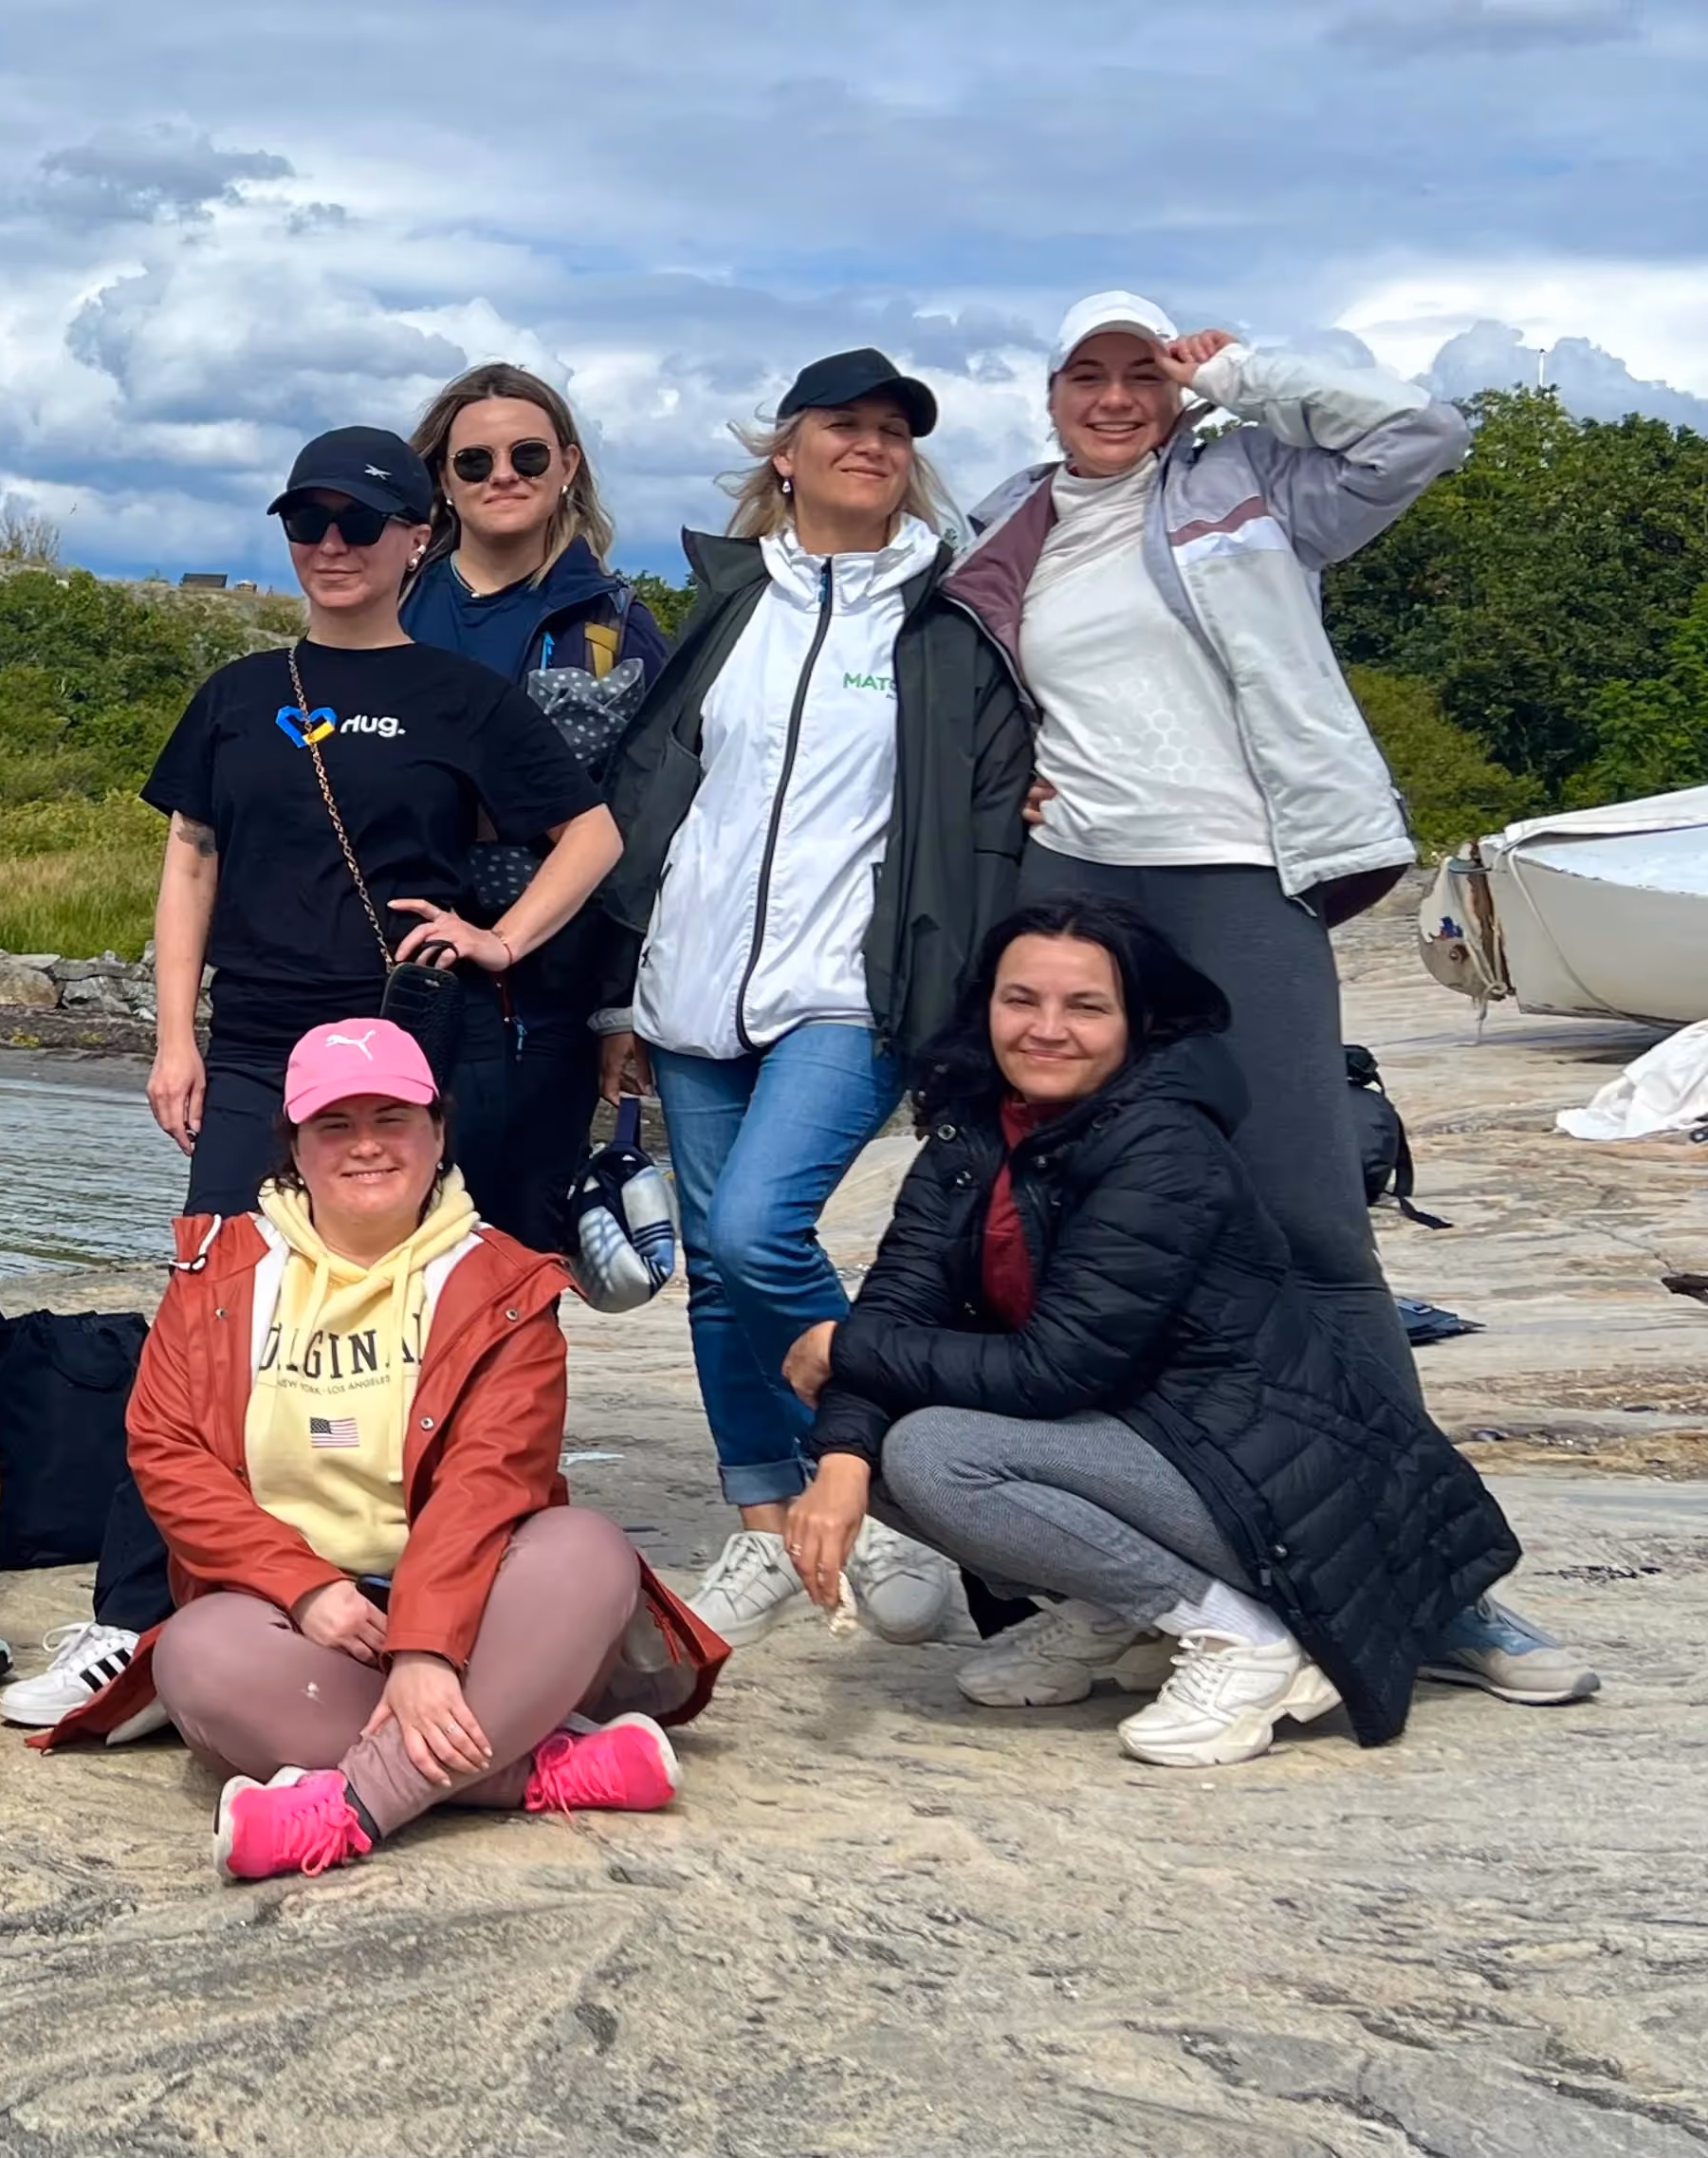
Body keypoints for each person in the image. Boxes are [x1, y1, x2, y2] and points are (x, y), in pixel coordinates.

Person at [944, 293, 1592, 1706]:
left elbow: (1427, 432)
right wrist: (1013, 787)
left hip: (1240, 873)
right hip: (1075, 886)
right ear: (1048, 391)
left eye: (1141, 370)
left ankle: (1440, 1585)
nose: (1114, 397)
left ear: (1176, 381)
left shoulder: (1249, 480)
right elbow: (945, 696)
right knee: (1077, 1235)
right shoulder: (1003, 521)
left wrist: (1239, 372)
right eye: (1086, 373)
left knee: (1310, 1231)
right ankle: (1115, 1579)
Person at [779, 897, 1529, 1765]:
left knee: (936, 1454)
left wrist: (844, 1348)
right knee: (866, 1445)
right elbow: (898, 1308)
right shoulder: (975, 1129)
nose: (1047, 1030)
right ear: (985, 1004)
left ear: (1139, 1023)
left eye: (1086, 1007)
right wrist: (840, 1459)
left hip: (1270, 1472)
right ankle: (1114, 1605)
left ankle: (1241, 1637)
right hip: (1153, 1445)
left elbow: (1054, 1368)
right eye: (1021, 1000)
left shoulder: (1163, 1144)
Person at [35, 1019, 724, 1882]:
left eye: (391, 1118)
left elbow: (490, 1480)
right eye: (335, 1124)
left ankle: (353, 1808)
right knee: (192, 1653)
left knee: (587, 1551)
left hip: (484, 1623)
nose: (365, 1146)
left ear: (438, 1131)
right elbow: (167, 1453)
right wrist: (307, 1585)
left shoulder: (507, 1284)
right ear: (294, 1145)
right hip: (311, 1629)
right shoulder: (218, 1271)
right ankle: (525, 1767)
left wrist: (428, 1648)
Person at [588, 349, 1031, 1651]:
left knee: (764, 1231)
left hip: (854, 983)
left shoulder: (949, 620)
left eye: (895, 431)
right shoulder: (728, 608)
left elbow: (997, 801)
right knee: (718, 1271)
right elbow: (656, 798)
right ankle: (767, 1522)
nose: (872, 444)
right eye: (845, 424)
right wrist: (621, 990)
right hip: (692, 985)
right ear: (785, 452)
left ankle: (875, 1484)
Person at [146, 427, 622, 1226]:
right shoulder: (237, 694)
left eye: (361, 522)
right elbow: (192, 863)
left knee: (403, 1294)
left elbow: (594, 835)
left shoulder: (464, 696)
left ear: (417, 538)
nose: (332, 544)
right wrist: (174, 1042)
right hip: (256, 1045)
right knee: (222, 1285)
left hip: (407, 1043)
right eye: (308, 522)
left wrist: (500, 940)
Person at [401, 361, 672, 1249]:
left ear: (568, 465)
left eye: (525, 454)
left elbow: (651, 828)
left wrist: (620, 1011)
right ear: (442, 481)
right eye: (472, 462)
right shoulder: (389, 605)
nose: (501, 476)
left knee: (513, 1260)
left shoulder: (617, 629)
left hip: (545, 996)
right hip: (385, 973)